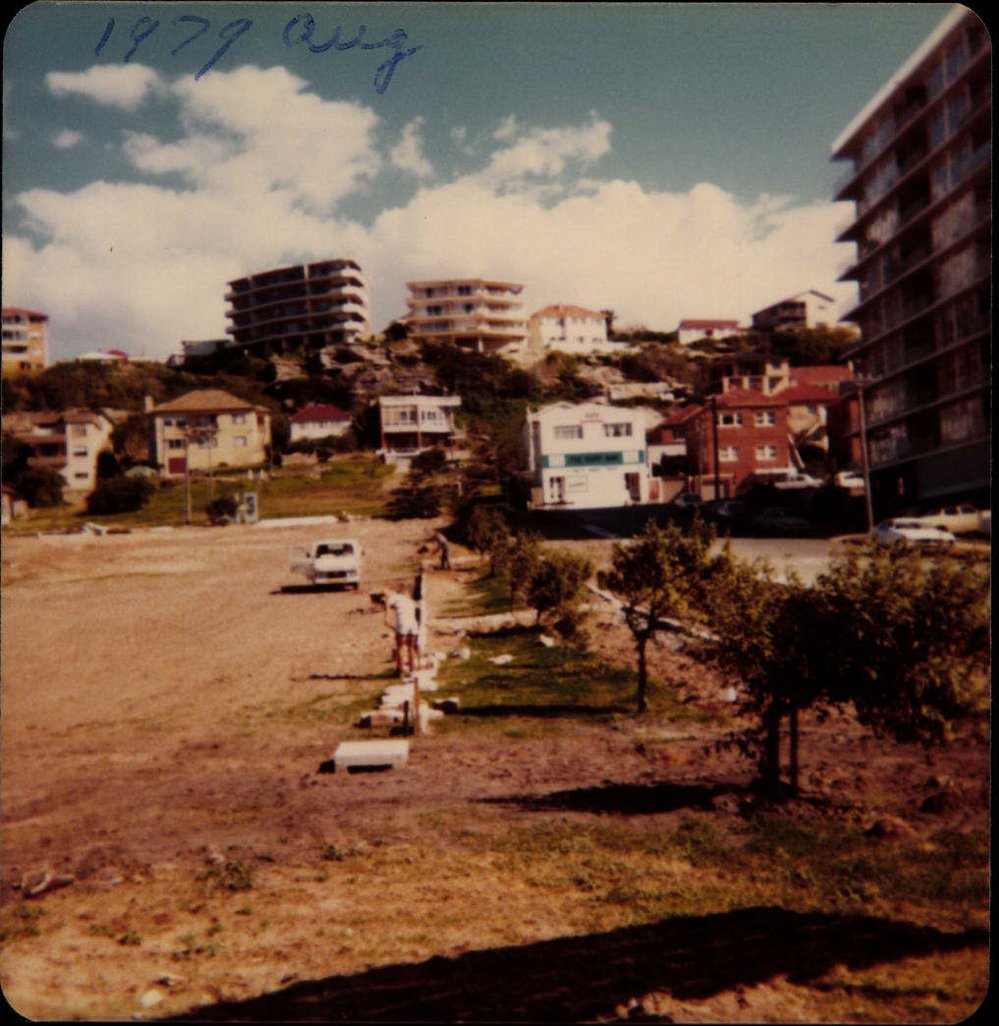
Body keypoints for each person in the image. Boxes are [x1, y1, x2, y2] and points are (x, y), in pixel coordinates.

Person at [385, 586, 420, 676]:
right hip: (413, 624)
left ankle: (399, 670)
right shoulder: (410, 601)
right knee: (411, 647)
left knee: (400, 647)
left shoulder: (394, 597)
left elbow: (387, 603)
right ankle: (412, 670)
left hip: (403, 623)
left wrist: (386, 616)